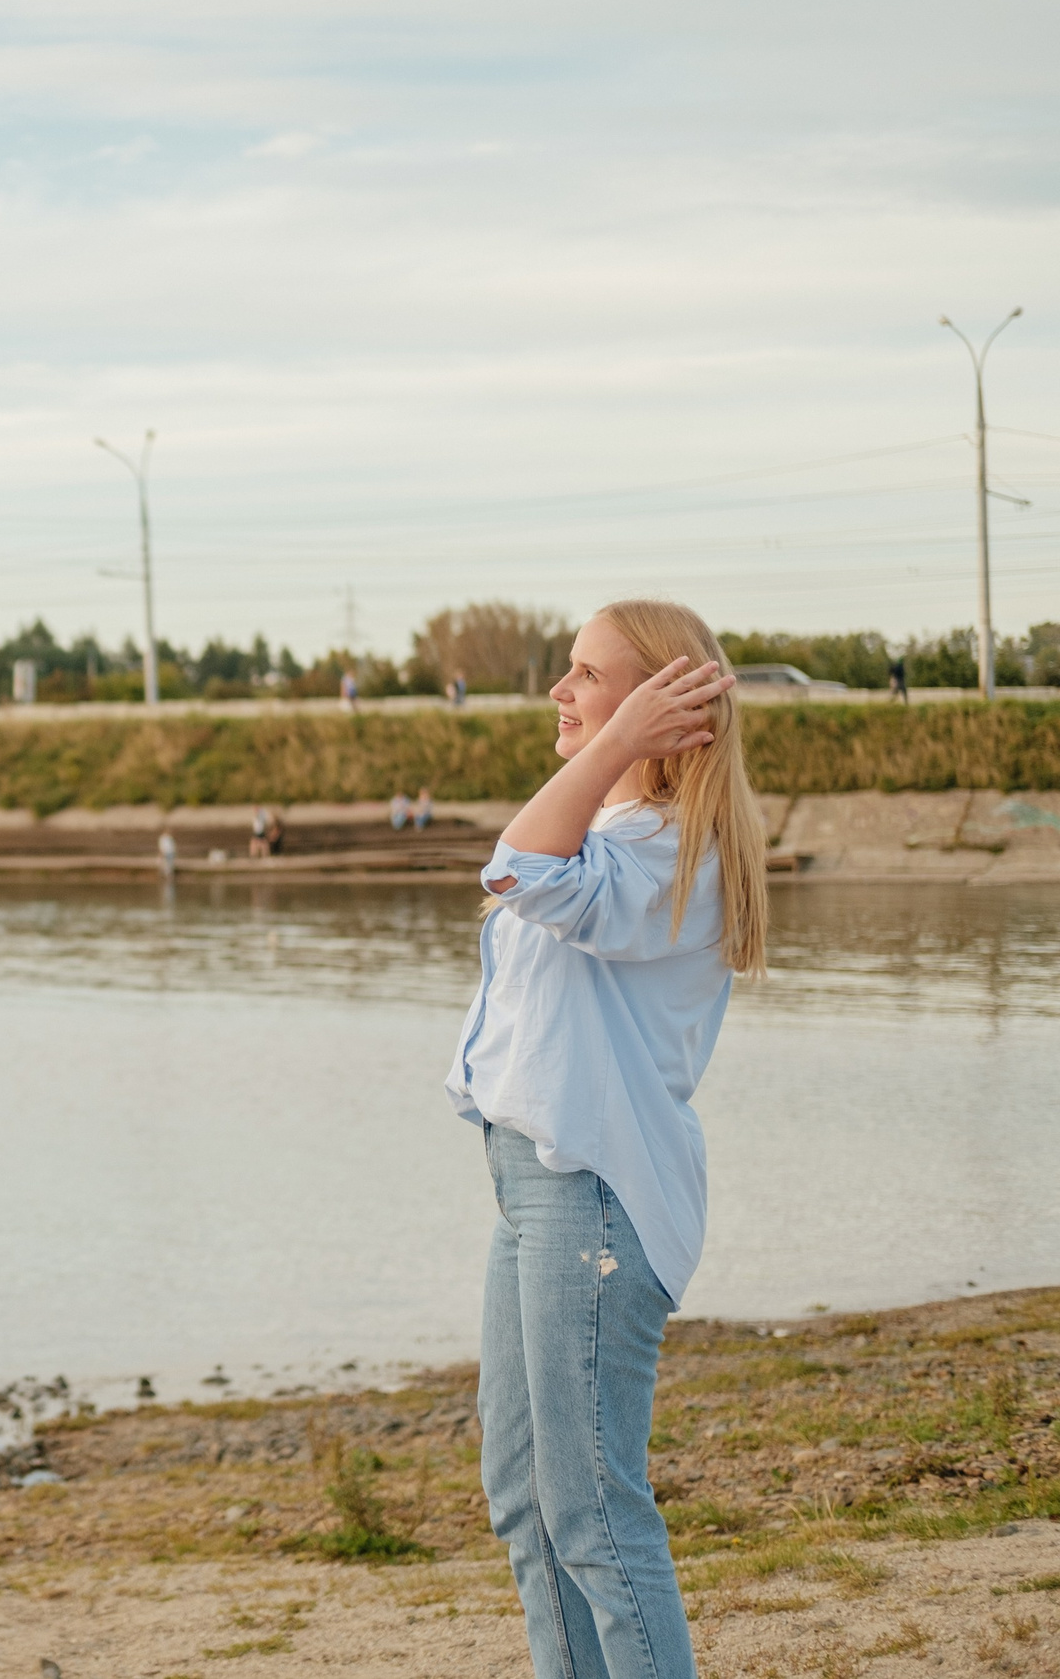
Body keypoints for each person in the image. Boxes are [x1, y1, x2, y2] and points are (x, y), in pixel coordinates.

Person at [444, 599, 765, 1679]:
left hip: (592, 1202)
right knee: (528, 1506)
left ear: (655, 706)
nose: (558, 691)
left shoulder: (672, 853)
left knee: (591, 1513)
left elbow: (514, 874)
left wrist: (620, 744)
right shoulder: (621, 839)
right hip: (536, 1193)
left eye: (586, 675)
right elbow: (531, 874)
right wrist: (615, 745)